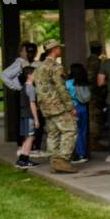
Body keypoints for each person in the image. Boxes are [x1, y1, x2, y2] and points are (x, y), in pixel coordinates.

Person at [32, 40, 77, 174]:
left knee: (53, 133)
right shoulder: (56, 67)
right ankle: (62, 159)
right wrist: (70, 106)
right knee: (70, 130)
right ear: (55, 49)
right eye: (59, 48)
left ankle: (53, 161)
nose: (61, 50)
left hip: (45, 106)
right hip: (58, 106)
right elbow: (61, 88)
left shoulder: (39, 68)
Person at [67, 62, 92, 163]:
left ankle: (77, 154)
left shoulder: (68, 83)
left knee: (75, 132)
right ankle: (83, 154)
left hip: (74, 108)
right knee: (83, 131)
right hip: (83, 108)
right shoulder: (84, 82)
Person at [15, 66, 39, 168]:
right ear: (29, 75)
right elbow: (32, 104)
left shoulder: (24, 86)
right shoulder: (31, 88)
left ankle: (22, 159)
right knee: (30, 137)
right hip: (29, 115)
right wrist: (36, 119)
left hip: (24, 115)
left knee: (27, 137)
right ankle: (25, 159)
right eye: (35, 73)